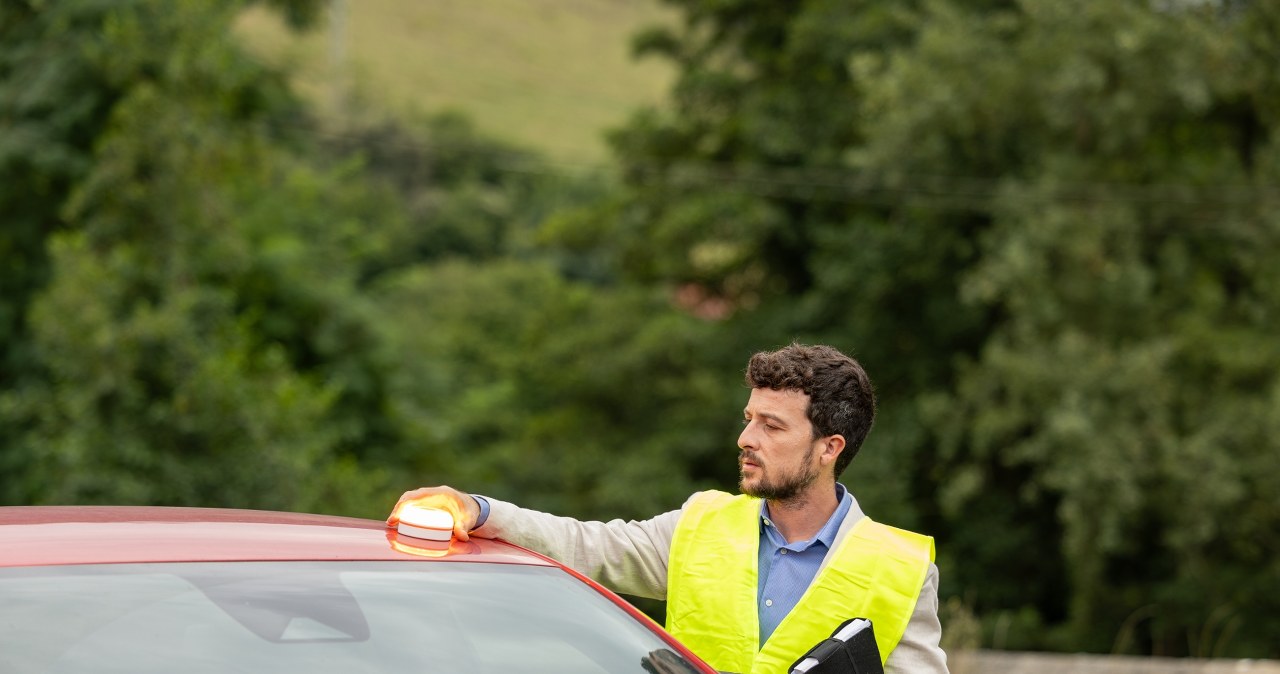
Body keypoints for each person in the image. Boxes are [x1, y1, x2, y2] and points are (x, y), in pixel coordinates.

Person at [388, 343, 948, 674]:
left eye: (771, 426)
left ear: (829, 448)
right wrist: (479, 510)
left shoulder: (901, 568)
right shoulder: (700, 524)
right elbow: (586, 547)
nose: (745, 438)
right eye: (748, 418)